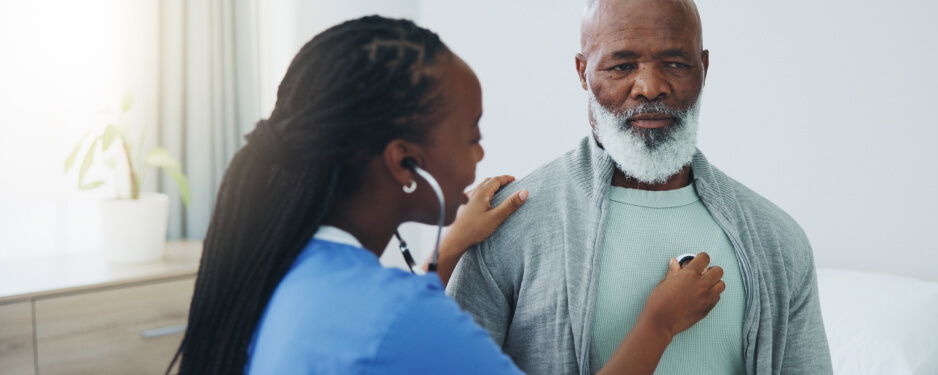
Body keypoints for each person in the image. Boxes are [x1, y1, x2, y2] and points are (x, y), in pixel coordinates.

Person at [169, 16, 727, 375]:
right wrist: (659, 322)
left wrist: (453, 245)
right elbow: (399, 329)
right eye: (471, 135)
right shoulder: (398, 316)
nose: (480, 155)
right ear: (405, 163)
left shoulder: (283, 269)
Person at [446, 0, 833, 374]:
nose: (650, 87)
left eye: (676, 63)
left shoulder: (776, 240)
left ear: (704, 68)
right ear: (582, 72)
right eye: (622, 66)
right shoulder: (509, 228)